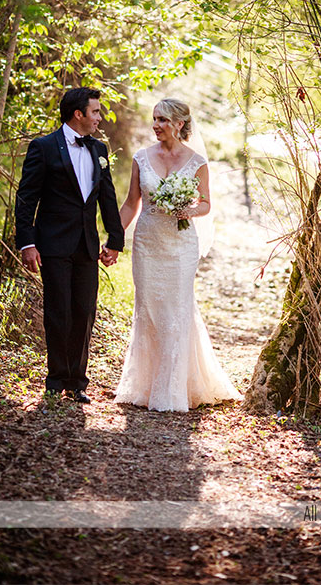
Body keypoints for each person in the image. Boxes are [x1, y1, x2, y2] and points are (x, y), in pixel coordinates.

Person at [115, 98, 241, 412]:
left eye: (163, 120)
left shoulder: (196, 161)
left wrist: (188, 209)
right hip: (148, 242)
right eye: (154, 119)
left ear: (179, 124)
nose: (156, 125)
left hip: (181, 245)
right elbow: (132, 203)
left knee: (177, 310)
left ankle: (172, 389)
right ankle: (144, 385)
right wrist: (114, 238)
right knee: (149, 309)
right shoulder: (141, 158)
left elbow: (206, 204)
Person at [15, 87, 124, 403]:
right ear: (79, 114)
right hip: (52, 244)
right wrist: (27, 243)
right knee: (58, 311)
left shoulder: (99, 149)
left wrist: (114, 240)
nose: (99, 119)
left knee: (84, 312)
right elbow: (27, 198)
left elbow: (107, 196)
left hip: (87, 245)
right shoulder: (44, 147)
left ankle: (77, 382)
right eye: (95, 112)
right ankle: (55, 379)